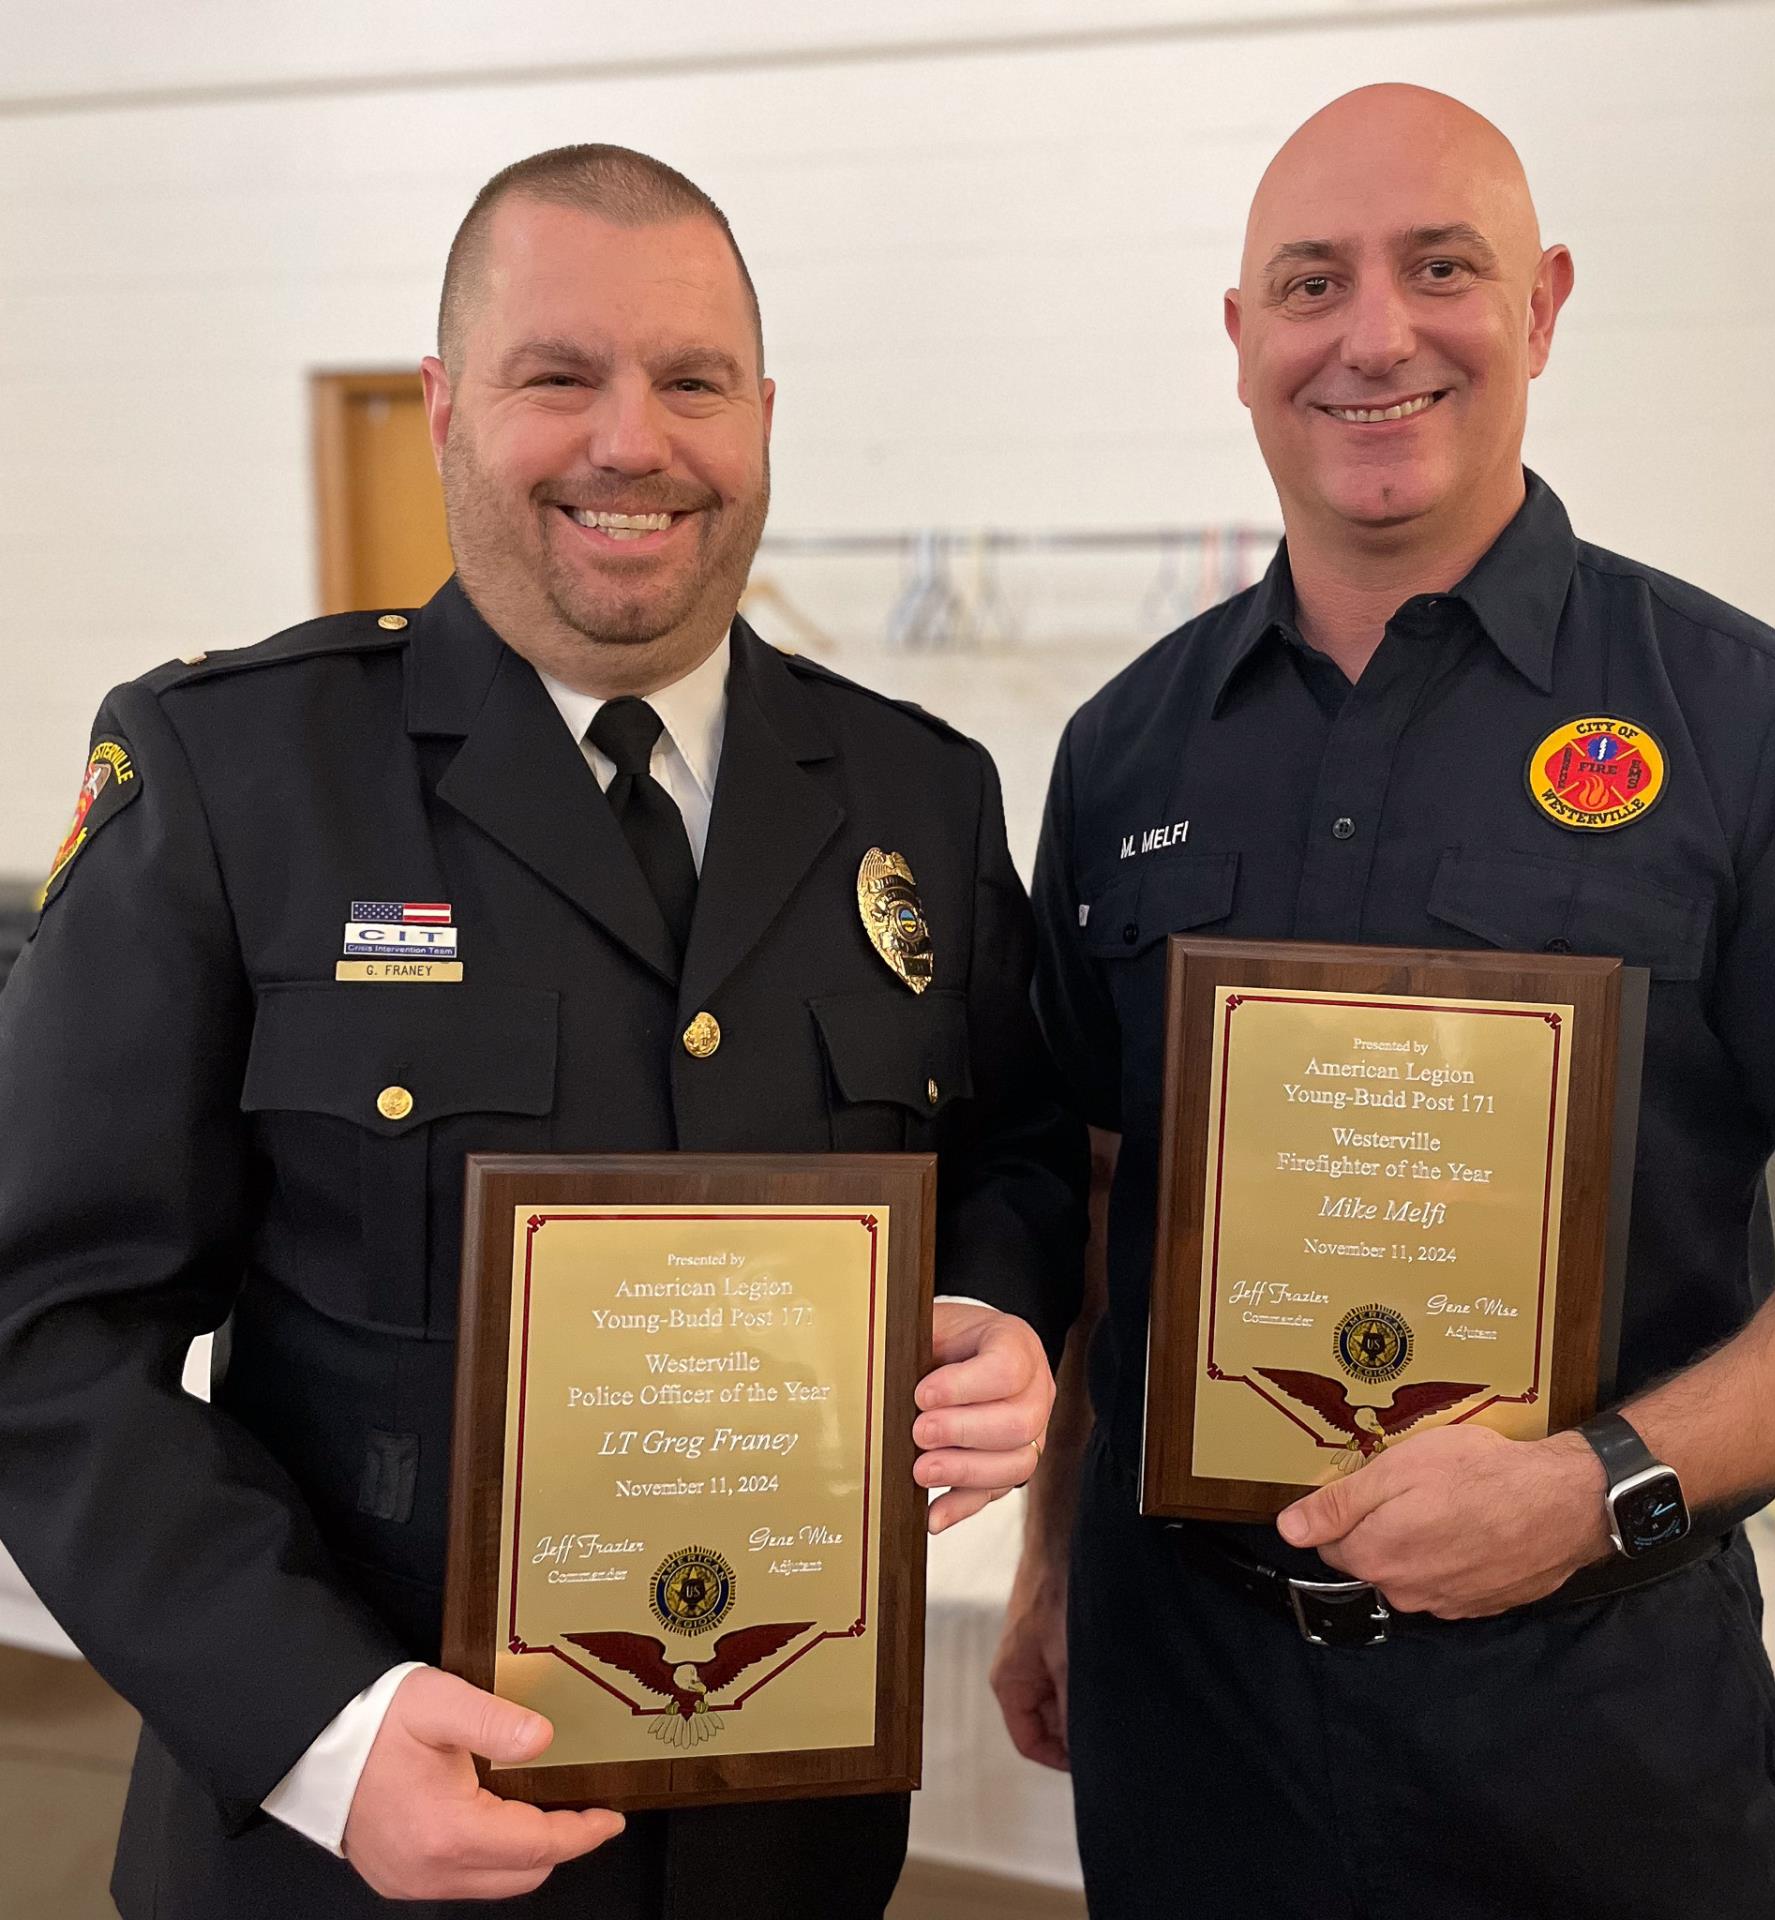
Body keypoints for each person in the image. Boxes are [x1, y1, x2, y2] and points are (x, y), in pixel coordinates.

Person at [0, 144, 1083, 1918]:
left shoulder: (918, 795)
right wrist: (322, 1736)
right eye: (557, 376)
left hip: (779, 1842)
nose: (630, 441)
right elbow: (40, 1329)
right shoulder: (234, 779)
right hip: (343, 1855)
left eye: (692, 382)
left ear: (763, 413)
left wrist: (1000, 1309)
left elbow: (1019, 1146)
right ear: (443, 408)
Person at [993, 83, 1775, 1920]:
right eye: (1313, 283)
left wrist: (1604, 1484)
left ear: (1545, 306)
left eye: (1442, 270)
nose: (1375, 336)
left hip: (1592, 1734)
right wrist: (1047, 1562)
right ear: (1243, 337)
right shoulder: (1124, 751)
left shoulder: (1757, 733)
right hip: (1194, 1718)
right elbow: (1111, 1200)